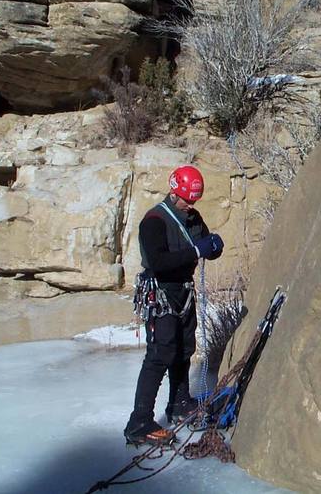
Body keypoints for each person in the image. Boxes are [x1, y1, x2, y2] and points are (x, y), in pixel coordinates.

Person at [124, 165, 224, 446]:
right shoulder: (154, 220)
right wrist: (196, 251)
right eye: (186, 200)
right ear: (174, 191)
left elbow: (204, 243)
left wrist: (214, 247)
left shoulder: (193, 217)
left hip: (183, 291)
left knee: (184, 348)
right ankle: (139, 421)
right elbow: (158, 261)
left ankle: (179, 402)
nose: (190, 205)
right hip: (162, 291)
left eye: (194, 200)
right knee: (160, 353)